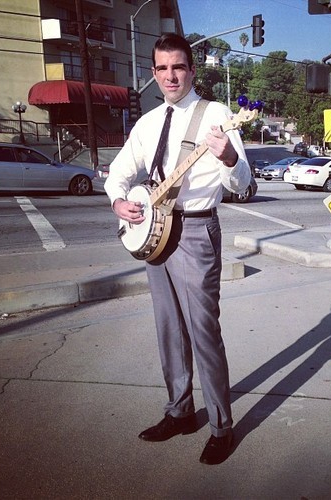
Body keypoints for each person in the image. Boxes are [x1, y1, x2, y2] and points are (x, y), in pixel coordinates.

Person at [104, 33, 251, 465]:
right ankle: (180, 411)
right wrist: (118, 200)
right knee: (169, 329)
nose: (171, 76)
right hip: (154, 232)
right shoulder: (148, 123)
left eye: (179, 67)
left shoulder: (218, 115)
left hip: (195, 231)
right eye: (163, 68)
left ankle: (222, 426)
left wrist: (228, 158)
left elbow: (242, 184)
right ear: (153, 73)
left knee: (203, 332)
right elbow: (119, 171)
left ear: (191, 70)